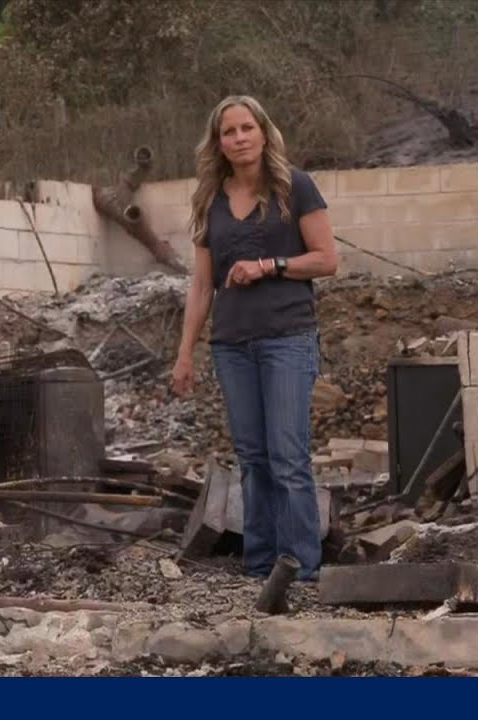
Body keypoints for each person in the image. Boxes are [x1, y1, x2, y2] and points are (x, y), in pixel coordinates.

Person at [171, 95, 338, 581]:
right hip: (232, 345)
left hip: (288, 337)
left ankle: (302, 568)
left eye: (247, 128)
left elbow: (327, 259)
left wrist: (269, 266)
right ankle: (260, 563)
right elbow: (202, 284)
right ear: (218, 142)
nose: (239, 138)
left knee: (288, 455)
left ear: (264, 133)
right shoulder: (209, 200)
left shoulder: (295, 187)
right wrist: (185, 352)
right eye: (229, 132)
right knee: (252, 458)